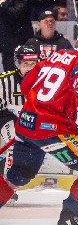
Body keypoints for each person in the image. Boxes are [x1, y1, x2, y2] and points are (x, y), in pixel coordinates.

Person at [0, 22, 78, 225]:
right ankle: (70, 217)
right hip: (53, 129)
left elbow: (27, 85)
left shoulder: (58, 54)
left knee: (18, 175)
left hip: (26, 124)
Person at [0, 44, 40, 206]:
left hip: (29, 123)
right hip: (7, 118)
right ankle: (6, 188)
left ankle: (6, 187)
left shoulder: (44, 80)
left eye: (33, 64)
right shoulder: (5, 81)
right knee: (13, 144)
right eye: (26, 64)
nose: (30, 69)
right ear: (17, 64)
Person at [0, 0, 34, 73]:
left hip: (18, 41)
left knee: (19, 73)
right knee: (7, 71)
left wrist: (2, 4)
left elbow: (16, 13)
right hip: (5, 41)